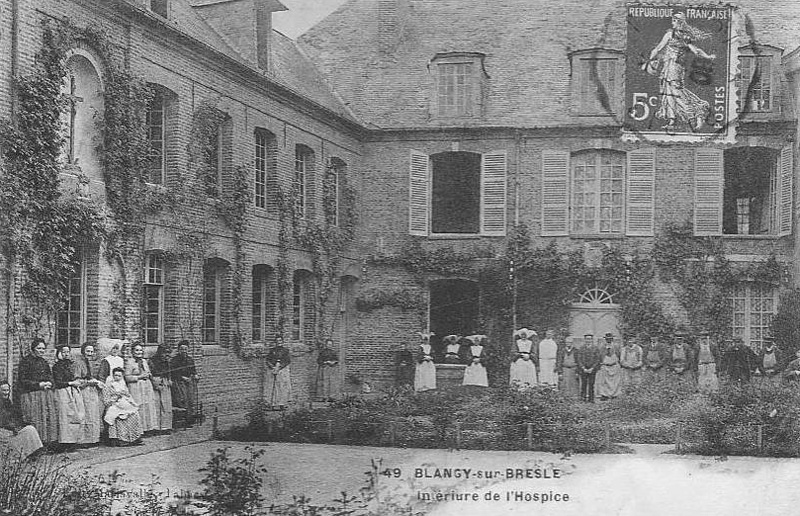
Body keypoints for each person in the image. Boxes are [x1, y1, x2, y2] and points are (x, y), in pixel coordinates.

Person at [642, 12, 716, 131]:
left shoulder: (685, 37)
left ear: (681, 22)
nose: (673, 22)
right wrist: (649, 61)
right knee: (667, 91)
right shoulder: (669, 34)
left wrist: (707, 56)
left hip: (676, 67)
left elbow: (696, 50)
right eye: (673, 20)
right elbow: (658, 48)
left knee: (677, 91)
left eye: (676, 20)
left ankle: (698, 113)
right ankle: (672, 120)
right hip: (667, 66)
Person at [17, 338, 58, 445]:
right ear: (33, 349)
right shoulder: (25, 362)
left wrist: (50, 383)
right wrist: (38, 384)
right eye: (38, 348)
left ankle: (45, 443)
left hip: (44, 395)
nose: (41, 351)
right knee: (34, 419)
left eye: (43, 349)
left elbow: (50, 376)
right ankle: (33, 445)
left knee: (45, 419)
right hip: (31, 395)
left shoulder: (43, 362)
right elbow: (22, 380)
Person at [51, 345, 86, 448]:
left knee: (75, 415)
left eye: (67, 352)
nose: (66, 354)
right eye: (63, 352)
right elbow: (58, 382)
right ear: (58, 353)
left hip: (72, 391)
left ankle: (73, 441)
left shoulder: (70, 365)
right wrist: (71, 383)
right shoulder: (57, 366)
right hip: (63, 392)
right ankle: (64, 442)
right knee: (65, 417)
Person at [0, 381, 43, 459]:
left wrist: (21, 424)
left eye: (7, 390)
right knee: (28, 431)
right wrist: (12, 427)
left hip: (10, 428)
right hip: (4, 431)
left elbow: (13, 417)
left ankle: (34, 452)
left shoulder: (7, 402)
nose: (6, 393)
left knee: (30, 428)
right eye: (3, 390)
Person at [72, 342, 103, 446]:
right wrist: (89, 382)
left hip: (92, 391)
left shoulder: (89, 362)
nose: (89, 353)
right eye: (87, 351)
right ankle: (84, 440)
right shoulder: (78, 363)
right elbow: (77, 381)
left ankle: (93, 438)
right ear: (83, 351)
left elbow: (90, 376)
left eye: (91, 351)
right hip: (84, 391)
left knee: (93, 414)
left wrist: (95, 381)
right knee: (85, 414)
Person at [102, 367, 143, 446]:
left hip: (123, 404)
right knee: (119, 415)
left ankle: (134, 438)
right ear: (112, 375)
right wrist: (115, 398)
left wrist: (126, 395)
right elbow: (106, 401)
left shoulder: (123, 385)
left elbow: (128, 396)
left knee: (134, 413)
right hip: (113, 405)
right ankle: (121, 440)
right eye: (115, 375)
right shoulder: (108, 386)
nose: (117, 377)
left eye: (119, 376)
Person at [125, 342, 157, 433]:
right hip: (136, 387)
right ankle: (137, 430)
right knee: (138, 406)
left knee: (147, 406)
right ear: (132, 351)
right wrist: (139, 377)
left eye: (140, 350)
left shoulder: (144, 361)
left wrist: (149, 374)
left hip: (146, 386)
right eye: (136, 350)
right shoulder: (129, 362)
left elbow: (148, 372)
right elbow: (127, 377)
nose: (139, 352)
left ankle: (147, 428)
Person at [171, 340, 200, 424]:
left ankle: (190, 418)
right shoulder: (175, 360)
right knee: (183, 400)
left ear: (188, 350)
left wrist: (195, 375)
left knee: (191, 399)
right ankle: (183, 419)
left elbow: (193, 370)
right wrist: (182, 377)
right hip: (179, 382)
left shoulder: (190, 359)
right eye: (182, 349)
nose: (184, 351)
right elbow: (173, 372)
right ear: (179, 350)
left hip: (189, 382)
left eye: (185, 349)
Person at [148, 342, 173, 434]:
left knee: (166, 405)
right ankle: (157, 427)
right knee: (157, 405)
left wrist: (169, 379)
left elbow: (169, 371)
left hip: (165, 382)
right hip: (156, 383)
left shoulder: (167, 361)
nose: (166, 355)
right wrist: (156, 384)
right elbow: (150, 374)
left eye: (168, 353)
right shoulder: (152, 361)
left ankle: (166, 426)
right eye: (164, 352)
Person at [265, 336, 292, 409]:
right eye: (277, 341)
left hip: (282, 370)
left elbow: (288, 361)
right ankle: (273, 404)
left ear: (282, 342)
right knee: (273, 387)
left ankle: (282, 403)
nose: (279, 343)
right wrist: (272, 367)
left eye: (280, 341)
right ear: (275, 342)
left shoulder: (286, 350)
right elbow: (268, 360)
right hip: (273, 369)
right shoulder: (272, 350)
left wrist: (280, 367)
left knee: (282, 386)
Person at [577, 335, 601, 403]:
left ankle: (591, 399)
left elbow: (597, 359)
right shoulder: (581, 348)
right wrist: (583, 367)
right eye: (587, 339)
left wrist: (592, 368)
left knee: (591, 384)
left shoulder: (595, 348)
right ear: (585, 340)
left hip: (592, 369)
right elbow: (579, 359)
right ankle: (583, 398)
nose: (588, 340)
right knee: (583, 384)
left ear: (592, 340)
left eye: (589, 339)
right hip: (584, 369)